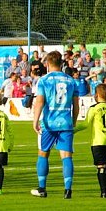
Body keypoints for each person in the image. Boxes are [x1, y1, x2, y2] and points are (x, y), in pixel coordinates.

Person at [31, 50, 79, 199]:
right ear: (61, 63)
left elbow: (39, 101)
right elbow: (76, 106)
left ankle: (42, 188)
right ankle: (67, 190)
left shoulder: (44, 80)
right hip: (66, 123)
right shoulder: (71, 81)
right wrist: (74, 122)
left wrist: (35, 121)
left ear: (47, 64)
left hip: (49, 123)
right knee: (66, 157)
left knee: (43, 153)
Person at [75, 83, 106, 198]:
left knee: (100, 166)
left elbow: (85, 125)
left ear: (97, 95)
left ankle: (104, 191)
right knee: (104, 163)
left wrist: (72, 130)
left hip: (98, 141)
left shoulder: (94, 108)